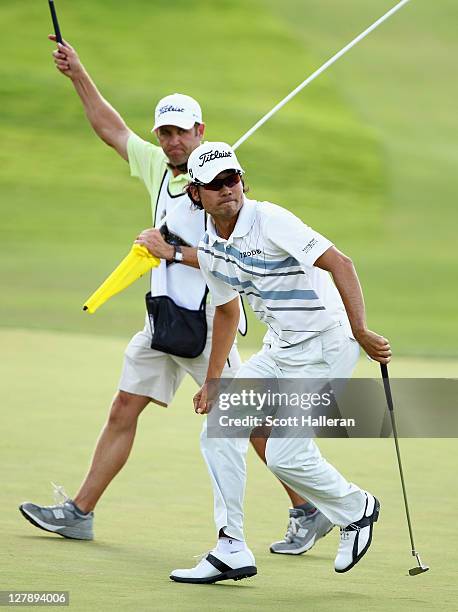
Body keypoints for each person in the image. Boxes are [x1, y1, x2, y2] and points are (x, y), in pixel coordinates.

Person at [19, 39, 329, 550]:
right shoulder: (157, 169)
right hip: (163, 321)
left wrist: (168, 250)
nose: (171, 141)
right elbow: (110, 128)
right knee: (123, 407)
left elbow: (232, 263)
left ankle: (309, 509)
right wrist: (77, 74)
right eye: (164, 132)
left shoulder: (222, 187)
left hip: (210, 326)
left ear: (199, 131)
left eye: (181, 131)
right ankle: (79, 512)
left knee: (246, 422)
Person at [167, 141, 391, 584]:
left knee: (287, 455)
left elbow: (340, 263)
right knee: (219, 428)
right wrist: (213, 382)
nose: (226, 189)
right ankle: (230, 547)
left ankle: (356, 509)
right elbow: (227, 310)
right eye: (214, 184)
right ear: (196, 194)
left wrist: (361, 329)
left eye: (232, 179)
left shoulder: (270, 220)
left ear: (242, 179)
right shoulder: (210, 247)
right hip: (280, 348)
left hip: (327, 345)